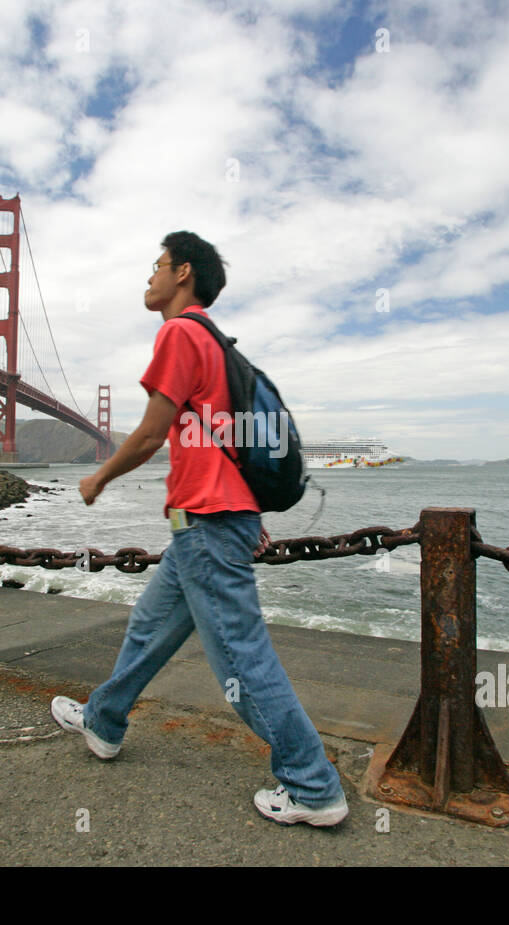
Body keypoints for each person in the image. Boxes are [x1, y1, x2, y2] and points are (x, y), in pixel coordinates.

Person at [51, 231, 348, 827]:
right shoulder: (217, 344)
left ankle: (314, 788)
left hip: (208, 528)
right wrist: (246, 517)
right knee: (148, 630)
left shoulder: (181, 332)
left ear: (183, 272)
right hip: (209, 523)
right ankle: (104, 722)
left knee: (241, 659)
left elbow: (150, 433)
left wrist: (99, 478)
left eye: (156, 267)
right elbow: (221, 444)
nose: (149, 278)